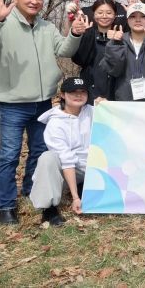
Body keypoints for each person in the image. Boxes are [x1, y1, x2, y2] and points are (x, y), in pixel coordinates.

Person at [0, 0, 87, 224]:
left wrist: (75, 33)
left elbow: (64, 50)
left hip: (43, 102)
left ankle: (31, 190)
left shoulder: (46, 27)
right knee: (9, 154)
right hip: (12, 103)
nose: (34, 1)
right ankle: (6, 205)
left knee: (40, 151)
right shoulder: (2, 23)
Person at [28, 78, 95, 226]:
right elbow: (66, 160)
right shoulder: (55, 123)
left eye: (82, 92)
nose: (78, 95)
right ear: (63, 95)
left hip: (94, 167)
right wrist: (75, 197)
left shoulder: (93, 112)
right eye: (73, 92)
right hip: (68, 170)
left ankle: (86, 188)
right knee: (47, 158)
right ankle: (49, 209)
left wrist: (106, 105)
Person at [100, 2, 145, 101]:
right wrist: (116, 44)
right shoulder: (118, 41)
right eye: (133, 16)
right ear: (127, 19)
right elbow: (114, 71)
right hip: (125, 102)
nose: (138, 20)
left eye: (143, 16)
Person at [71, 0, 118, 102]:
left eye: (109, 13)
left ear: (115, 15)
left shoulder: (121, 36)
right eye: (100, 13)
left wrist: (117, 41)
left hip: (115, 95)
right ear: (94, 15)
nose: (104, 16)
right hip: (90, 93)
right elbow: (78, 60)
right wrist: (86, 35)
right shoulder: (88, 34)